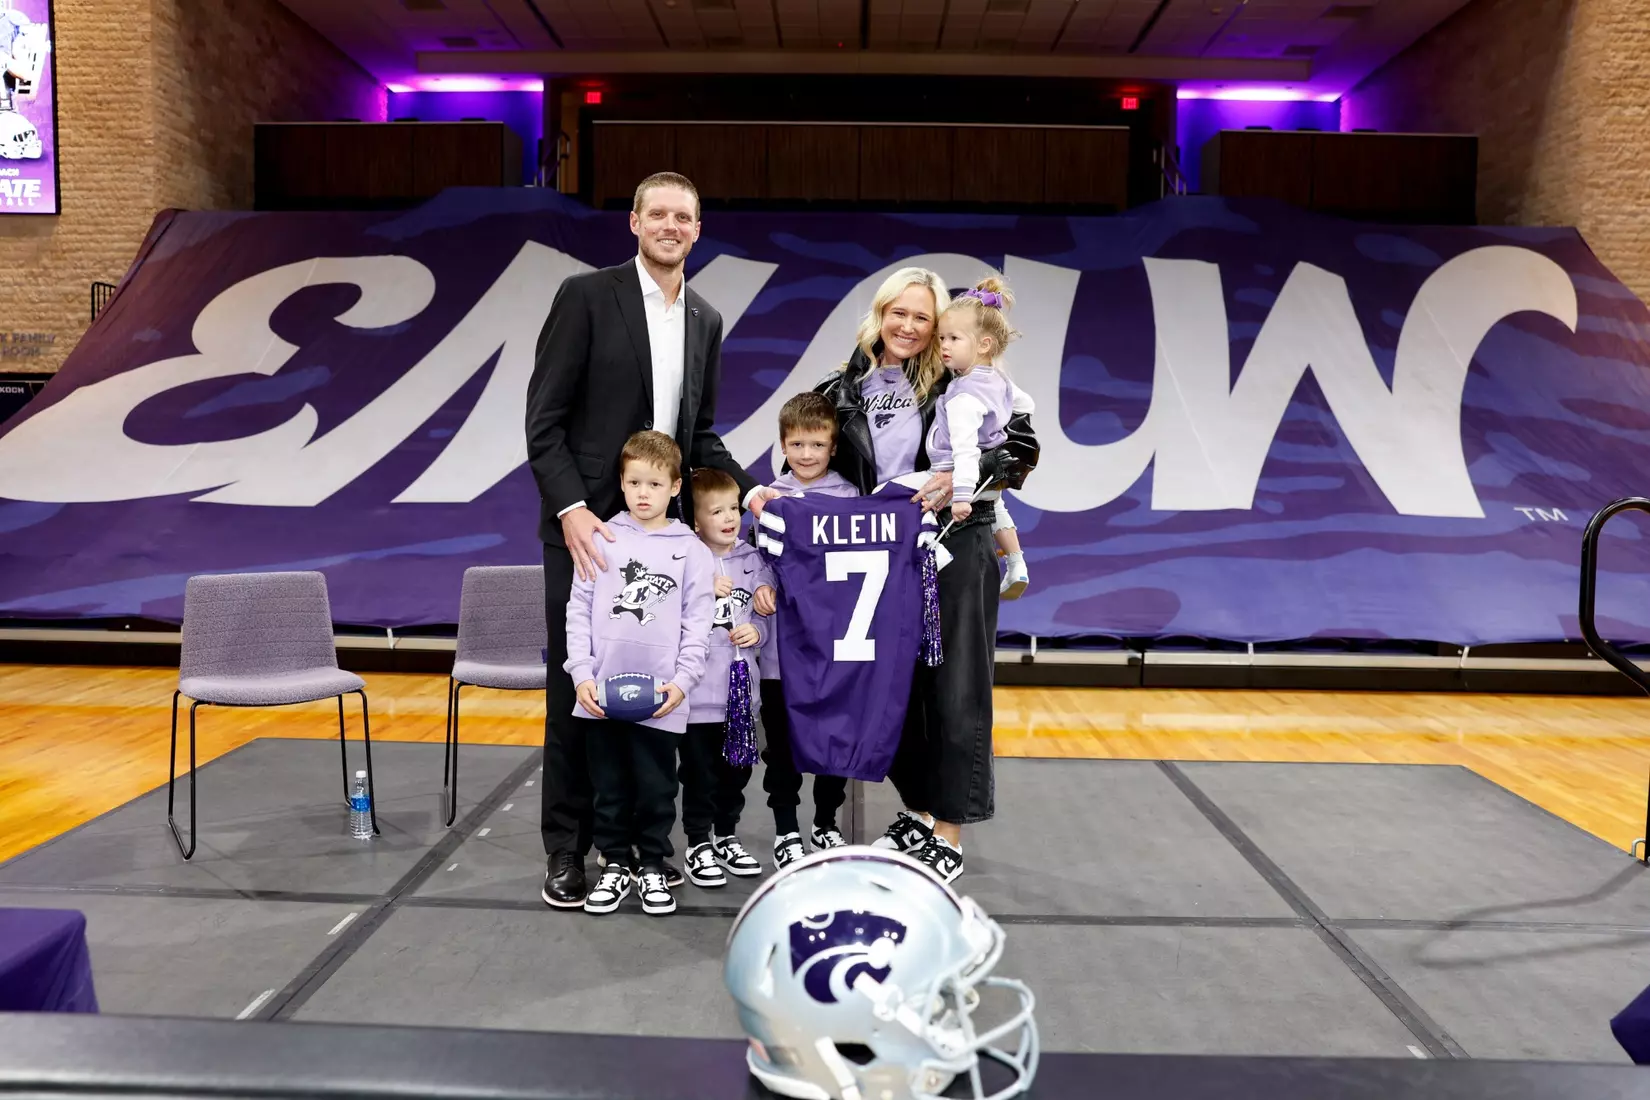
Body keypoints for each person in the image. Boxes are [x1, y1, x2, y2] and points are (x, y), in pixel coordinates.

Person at [525, 171, 759, 910]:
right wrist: (569, 509)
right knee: (577, 695)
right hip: (590, 536)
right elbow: (545, 422)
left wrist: (754, 490)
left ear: (697, 229)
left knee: (655, 705)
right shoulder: (586, 297)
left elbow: (702, 435)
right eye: (656, 213)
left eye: (682, 216)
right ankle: (570, 850)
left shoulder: (707, 319)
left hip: (663, 543)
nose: (669, 225)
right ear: (633, 222)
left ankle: (641, 851)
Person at [816, 266, 1015, 885]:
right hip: (875, 558)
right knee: (891, 696)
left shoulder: (964, 384)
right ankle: (923, 810)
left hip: (954, 546)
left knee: (954, 690)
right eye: (897, 312)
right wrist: (768, 498)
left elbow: (1019, 450)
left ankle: (949, 829)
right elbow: (810, 461)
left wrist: (961, 478)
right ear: (877, 314)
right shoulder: (838, 389)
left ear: (939, 328)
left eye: (922, 317)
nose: (908, 325)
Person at [565, 431, 715, 916]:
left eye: (654, 483)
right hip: (600, 695)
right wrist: (582, 675)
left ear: (675, 487)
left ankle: (651, 864)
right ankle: (614, 864)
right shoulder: (601, 536)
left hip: (663, 697)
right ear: (622, 483)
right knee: (609, 787)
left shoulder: (692, 549)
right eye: (633, 482)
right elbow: (579, 610)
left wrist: (683, 682)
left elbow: (699, 621)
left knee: (656, 788)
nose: (642, 492)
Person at [753, 392, 860, 868]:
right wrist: (759, 586)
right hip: (781, 651)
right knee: (782, 745)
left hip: (834, 648)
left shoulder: (853, 497)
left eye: (817, 444)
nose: (807, 454)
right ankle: (785, 830)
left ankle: (825, 824)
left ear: (834, 447)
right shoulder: (766, 499)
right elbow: (756, 559)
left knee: (833, 740)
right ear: (782, 444)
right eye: (797, 444)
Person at [679, 467, 773, 887]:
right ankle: (698, 841)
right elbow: (670, 622)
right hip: (698, 697)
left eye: (733, 508)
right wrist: (700, 588)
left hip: (739, 693)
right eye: (716, 511)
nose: (729, 517)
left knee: (736, 772)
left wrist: (758, 629)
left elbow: (764, 615)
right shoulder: (685, 559)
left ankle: (726, 834)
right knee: (699, 774)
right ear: (697, 521)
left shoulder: (753, 560)